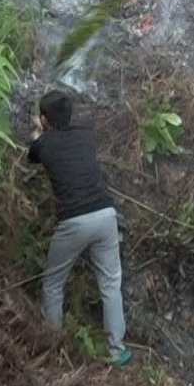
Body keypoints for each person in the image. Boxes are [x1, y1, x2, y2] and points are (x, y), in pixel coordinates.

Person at [27, 88, 131, 366]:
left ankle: (54, 347)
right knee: (111, 284)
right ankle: (117, 350)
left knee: (52, 285)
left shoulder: (43, 144)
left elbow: (33, 153)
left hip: (74, 221)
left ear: (44, 119)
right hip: (106, 214)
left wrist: (38, 133)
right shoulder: (85, 136)